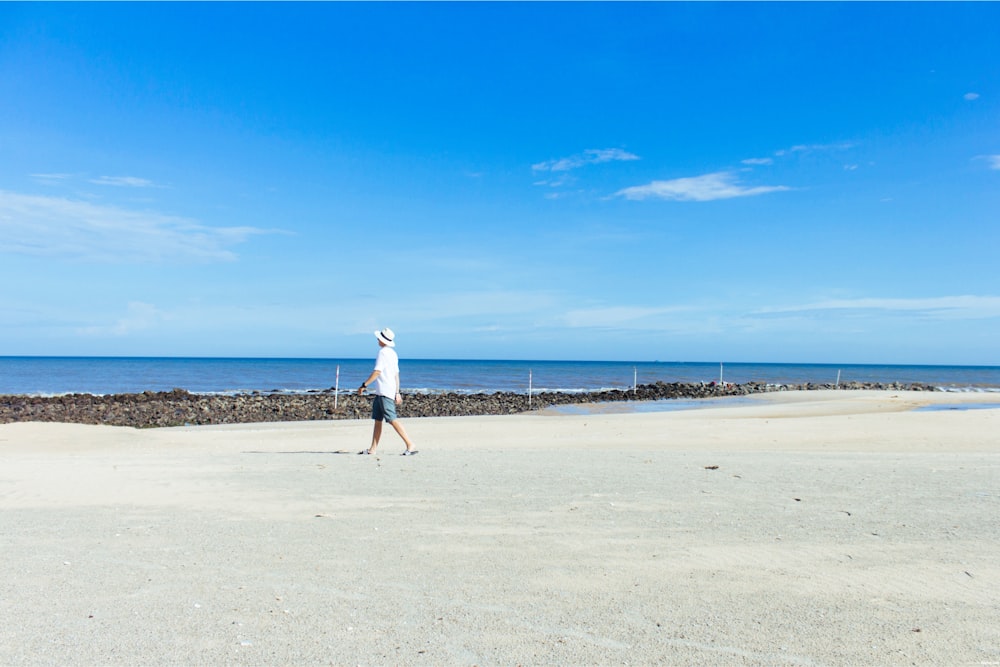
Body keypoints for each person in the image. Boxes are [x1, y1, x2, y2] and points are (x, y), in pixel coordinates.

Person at [357, 327, 417, 456]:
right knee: (378, 420)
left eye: (379, 338)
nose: (377, 339)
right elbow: (396, 375)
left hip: (384, 391)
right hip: (383, 391)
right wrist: (397, 392)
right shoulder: (393, 354)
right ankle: (372, 449)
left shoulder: (383, 353)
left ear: (383, 340)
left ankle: (410, 444)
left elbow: (377, 371)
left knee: (391, 419)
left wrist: (364, 385)